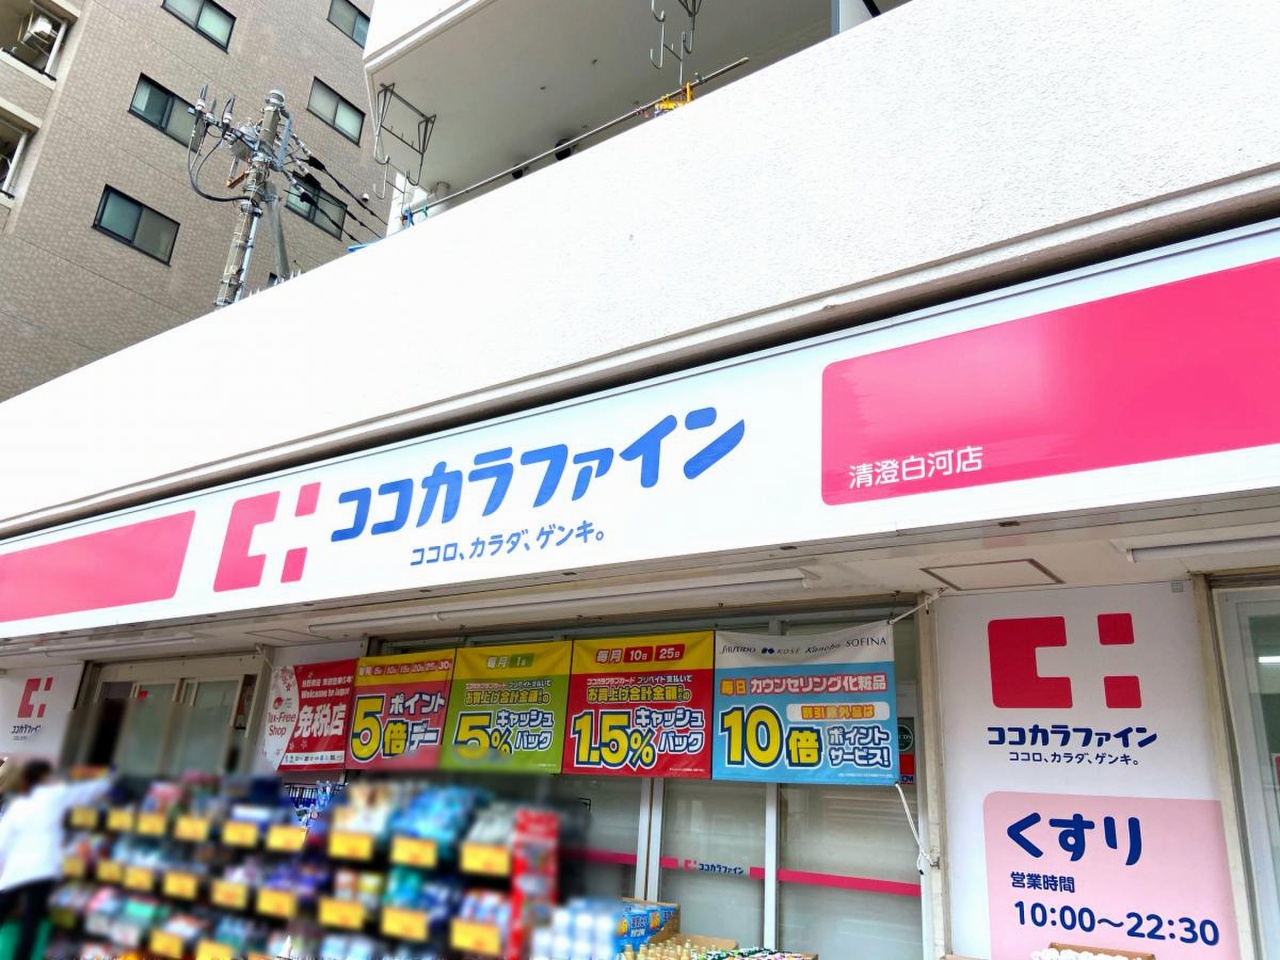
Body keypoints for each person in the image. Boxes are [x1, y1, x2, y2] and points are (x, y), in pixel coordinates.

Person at [0, 761, 112, 960]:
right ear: (45, 777)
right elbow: (89, 791)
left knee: (3, 909)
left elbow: (3, 841)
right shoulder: (54, 796)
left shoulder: (18, 806)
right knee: (30, 923)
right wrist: (109, 779)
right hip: (42, 869)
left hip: (16, 869)